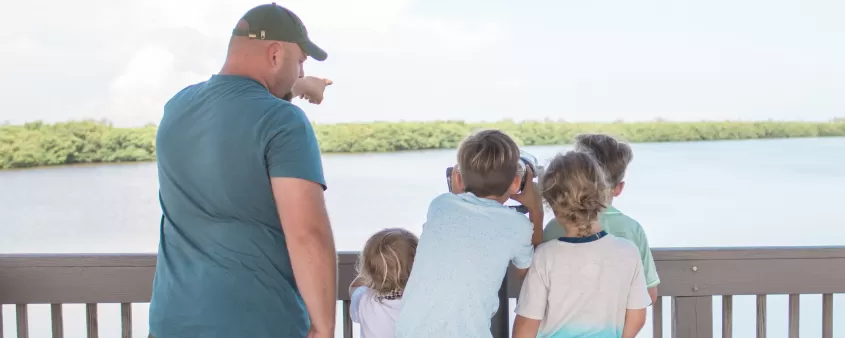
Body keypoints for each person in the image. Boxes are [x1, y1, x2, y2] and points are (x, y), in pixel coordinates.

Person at [148, 3, 337, 338]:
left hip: (172, 323)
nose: (299, 71)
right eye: (300, 61)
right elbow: (308, 235)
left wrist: (300, 87)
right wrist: (323, 327)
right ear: (276, 54)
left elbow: (239, 109)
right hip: (256, 324)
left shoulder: (176, 108)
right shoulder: (283, 122)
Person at [395, 129, 544, 338]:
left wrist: (460, 188)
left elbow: (463, 212)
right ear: (516, 182)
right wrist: (536, 211)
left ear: (458, 178)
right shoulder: (518, 226)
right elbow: (531, 276)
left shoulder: (440, 205)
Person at [513, 151, 650, 338]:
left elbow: (525, 327)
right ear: (602, 196)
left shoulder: (544, 256)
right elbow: (637, 316)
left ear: (552, 205)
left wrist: (534, 211)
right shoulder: (628, 252)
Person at [542, 133, 661, 303]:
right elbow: (649, 293)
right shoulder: (631, 229)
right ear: (618, 188)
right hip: (616, 328)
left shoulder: (555, 227)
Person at [349, 228, 420, 338]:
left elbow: (353, 288)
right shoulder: (421, 301)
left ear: (370, 271)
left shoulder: (365, 301)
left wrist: (370, 273)